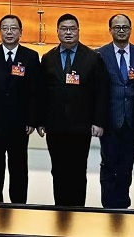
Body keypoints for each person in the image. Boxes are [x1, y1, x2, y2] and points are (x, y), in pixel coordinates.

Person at [38, 13, 108, 207]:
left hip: (81, 125)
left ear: (78, 31)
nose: (68, 32)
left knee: (77, 170)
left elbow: (101, 92)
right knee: (58, 170)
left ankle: (77, 211)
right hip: (55, 125)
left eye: (72, 29)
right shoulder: (48, 58)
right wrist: (40, 120)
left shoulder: (93, 57)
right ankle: (60, 210)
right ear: (57, 32)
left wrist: (98, 121)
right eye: (64, 29)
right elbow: (42, 92)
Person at [0, 14, 41, 204]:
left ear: (21, 32)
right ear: (0, 32)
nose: (9, 32)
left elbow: (35, 91)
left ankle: (19, 206)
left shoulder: (30, 56)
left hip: (19, 123)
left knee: (19, 168)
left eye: (13, 28)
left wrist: (32, 119)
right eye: (5, 28)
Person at [96, 13, 134, 208]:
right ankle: (108, 204)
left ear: (131, 30)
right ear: (110, 30)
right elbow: (97, 91)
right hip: (109, 120)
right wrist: (97, 120)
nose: (121, 30)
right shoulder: (100, 54)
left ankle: (123, 203)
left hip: (131, 120)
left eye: (125, 27)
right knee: (108, 164)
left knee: (127, 164)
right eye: (117, 27)